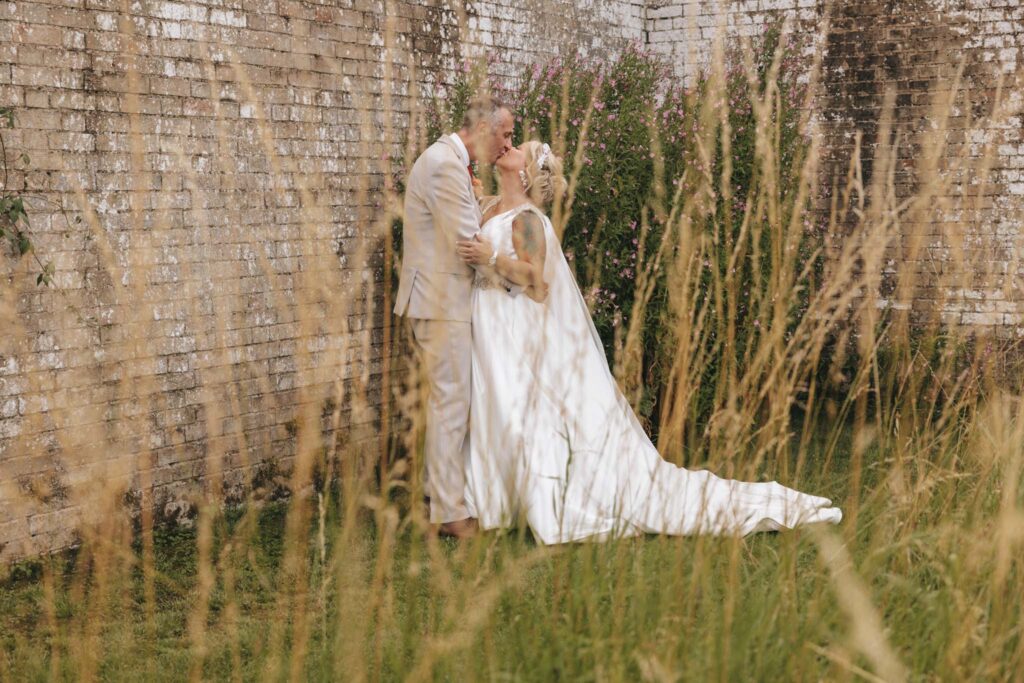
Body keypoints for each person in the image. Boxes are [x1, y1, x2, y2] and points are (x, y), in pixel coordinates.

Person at [455, 141, 842, 544]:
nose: (508, 146)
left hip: (514, 327)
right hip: (491, 325)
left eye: (519, 148)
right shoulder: (492, 207)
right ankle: (499, 500)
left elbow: (537, 283)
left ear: (526, 173)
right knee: (499, 405)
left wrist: (491, 259)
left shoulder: (527, 220)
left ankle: (547, 498)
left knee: (525, 411)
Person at [393, 96, 514, 538]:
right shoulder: (444, 165)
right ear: (483, 129)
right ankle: (448, 513)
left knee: (448, 402)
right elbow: (469, 242)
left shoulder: (447, 160)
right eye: (505, 134)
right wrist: (512, 283)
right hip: (441, 302)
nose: (507, 144)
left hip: (441, 301)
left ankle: (437, 492)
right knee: (451, 404)